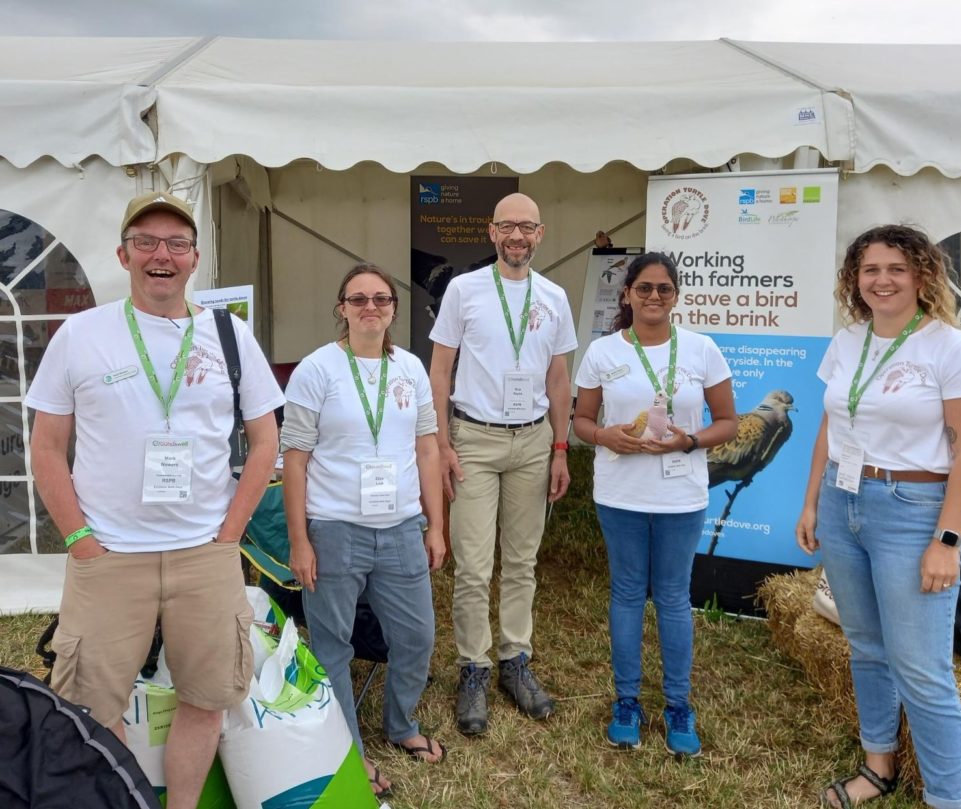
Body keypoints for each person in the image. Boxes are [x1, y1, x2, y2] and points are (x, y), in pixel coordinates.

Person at [26, 191, 284, 809]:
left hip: (204, 555)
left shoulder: (230, 335)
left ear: (195, 259)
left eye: (175, 244)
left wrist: (230, 535)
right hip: (108, 556)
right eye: (145, 243)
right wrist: (79, 541)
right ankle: (130, 801)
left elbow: (265, 437)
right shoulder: (80, 335)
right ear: (123, 254)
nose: (160, 256)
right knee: (92, 703)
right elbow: (45, 447)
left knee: (207, 697)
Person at [796, 225, 961, 809]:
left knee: (923, 670)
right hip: (843, 501)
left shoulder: (951, 348)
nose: (881, 280)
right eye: (869, 270)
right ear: (853, 280)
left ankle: (946, 800)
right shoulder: (848, 341)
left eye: (896, 269)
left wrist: (947, 539)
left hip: (912, 513)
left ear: (923, 276)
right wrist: (813, 501)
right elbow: (831, 427)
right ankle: (878, 765)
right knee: (865, 645)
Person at [282, 264, 446, 800]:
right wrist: (301, 539)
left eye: (380, 299)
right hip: (335, 530)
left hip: (401, 527)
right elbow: (296, 460)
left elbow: (426, 449)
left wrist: (435, 524)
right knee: (333, 645)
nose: (369, 308)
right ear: (342, 308)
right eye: (358, 299)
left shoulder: (412, 369)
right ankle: (349, 748)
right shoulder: (317, 369)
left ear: (394, 308)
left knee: (417, 636)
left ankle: (400, 724)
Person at [572, 251, 737, 756]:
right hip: (620, 491)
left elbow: (728, 423)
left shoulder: (702, 349)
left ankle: (678, 705)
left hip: (680, 493)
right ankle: (627, 701)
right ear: (627, 294)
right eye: (644, 288)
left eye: (664, 289)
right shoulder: (602, 352)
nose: (653, 297)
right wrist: (606, 435)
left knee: (671, 597)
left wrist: (688, 441)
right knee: (625, 592)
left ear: (676, 296)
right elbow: (579, 421)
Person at [429, 192, 576, 735]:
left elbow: (558, 379)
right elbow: (439, 371)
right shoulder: (463, 291)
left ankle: (515, 660)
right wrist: (443, 443)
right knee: (472, 565)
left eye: (527, 228)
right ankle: (473, 666)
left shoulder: (554, 296)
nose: (517, 236)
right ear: (492, 233)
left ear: (540, 235)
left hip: (533, 441)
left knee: (521, 562)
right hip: (474, 439)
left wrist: (560, 448)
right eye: (507, 226)